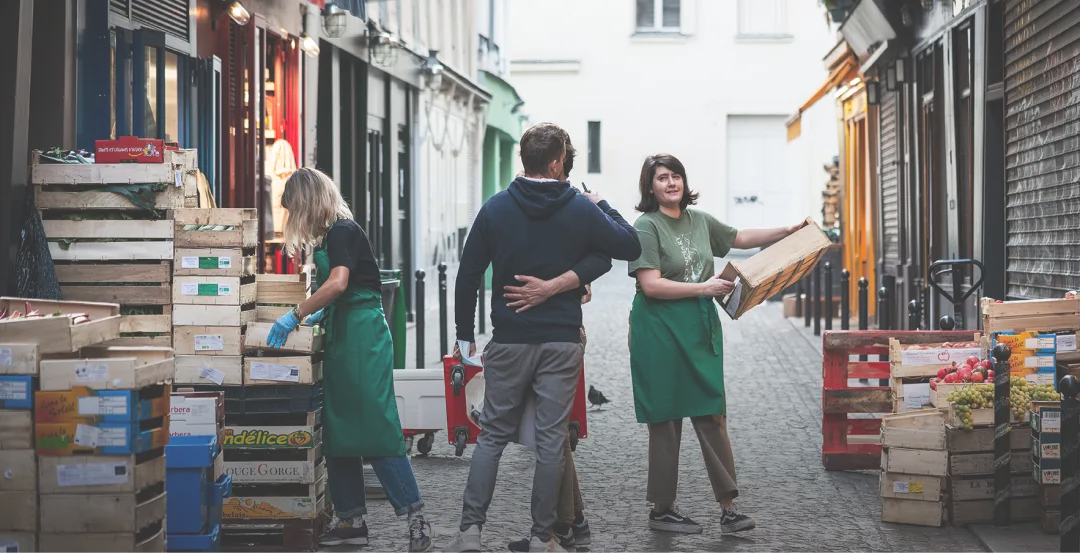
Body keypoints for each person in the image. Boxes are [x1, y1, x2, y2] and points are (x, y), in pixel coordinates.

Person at [443, 123, 641, 554]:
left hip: (510, 339)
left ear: (524, 159)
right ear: (556, 162)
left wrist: (464, 336)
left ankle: (470, 532)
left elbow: (468, 274)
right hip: (560, 341)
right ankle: (540, 538)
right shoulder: (580, 208)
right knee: (551, 441)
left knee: (492, 436)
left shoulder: (495, 209)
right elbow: (628, 244)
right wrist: (601, 202)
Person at [627, 154, 802, 535]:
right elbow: (651, 284)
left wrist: (787, 231)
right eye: (662, 178)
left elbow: (739, 238)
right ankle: (662, 509)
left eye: (676, 176)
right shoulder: (646, 226)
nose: (671, 183)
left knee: (711, 413)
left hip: (698, 329)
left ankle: (729, 506)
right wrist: (704, 288)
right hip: (657, 331)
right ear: (650, 186)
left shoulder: (700, 220)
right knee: (666, 418)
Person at [267, 167, 432, 553]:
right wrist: (324, 312)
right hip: (344, 336)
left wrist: (298, 313)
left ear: (308, 203)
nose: (294, 219)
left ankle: (416, 519)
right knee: (340, 428)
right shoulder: (330, 235)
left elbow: (339, 283)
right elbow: (340, 289)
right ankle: (351, 521)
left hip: (363, 338)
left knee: (375, 426)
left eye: (294, 209)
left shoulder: (342, 230)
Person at [506, 140, 593, 554]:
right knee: (554, 433)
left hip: (557, 333)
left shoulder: (572, 203)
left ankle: (560, 526)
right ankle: (571, 520)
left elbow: (597, 265)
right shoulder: (556, 200)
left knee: (553, 433)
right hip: (549, 332)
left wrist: (563, 283)